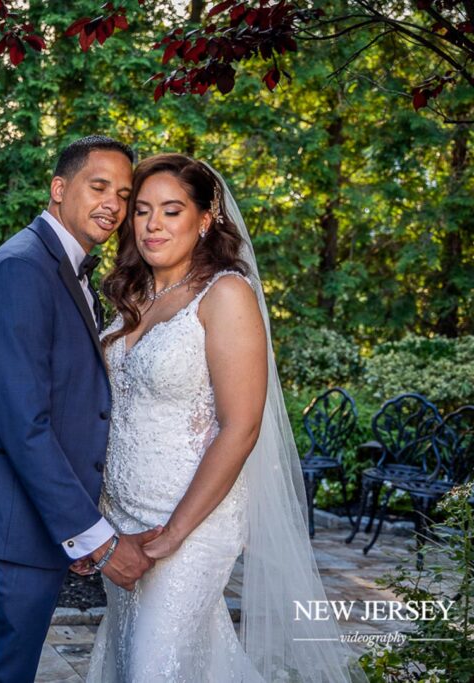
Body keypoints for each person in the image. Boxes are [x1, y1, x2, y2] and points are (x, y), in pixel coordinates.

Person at [85, 153, 363, 681]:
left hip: (191, 519)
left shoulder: (225, 294)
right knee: (166, 656)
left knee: (152, 667)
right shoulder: (132, 293)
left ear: (205, 219)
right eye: (142, 210)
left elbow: (242, 426)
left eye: (171, 211)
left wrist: (175, 533)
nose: (152, 225)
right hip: (121, 516)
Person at [0, 136, 163, 683]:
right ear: (59, 188)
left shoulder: (63, 268)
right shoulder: (21, 269)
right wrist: (95, 538)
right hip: (7, 524)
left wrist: (72, 530)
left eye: (123, 194)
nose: (113, 205)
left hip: (31, 525)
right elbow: (24, 426)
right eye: (98, 186)